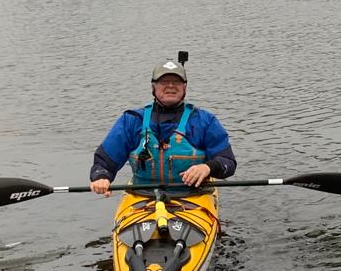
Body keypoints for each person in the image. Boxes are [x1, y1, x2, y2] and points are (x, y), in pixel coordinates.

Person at [89, 58, 237, 196]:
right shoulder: (132, 120)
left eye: (177, 82)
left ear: (184, 87)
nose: (171, 86)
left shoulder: (204, 121)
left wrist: (208, 167)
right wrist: (101, 177)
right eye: (164, 81)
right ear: (153, 87)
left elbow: (227, 162)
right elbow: (105, 161)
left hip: (193, 195)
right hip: (143, 196)